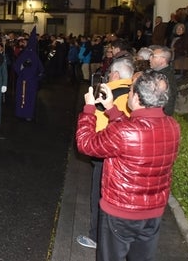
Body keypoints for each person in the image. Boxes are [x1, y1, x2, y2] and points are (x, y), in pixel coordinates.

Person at [76, 70, 180, 260]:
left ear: (138, 97)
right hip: (153, 212)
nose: (128, 94)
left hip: (120, 211)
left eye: (131, 91)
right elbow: (136, 132)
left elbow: (86, 144)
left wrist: (89, 109)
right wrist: (111, 109)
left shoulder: (124, 131)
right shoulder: (172, 126)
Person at [75, 58, 134, 250]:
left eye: (110, 73)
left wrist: (88, 110)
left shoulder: (109, 91)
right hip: (129, 156)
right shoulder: (136, 92)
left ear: (115, 74)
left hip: (106, 151)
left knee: (101, 195)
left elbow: (95, 131)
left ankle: (97, 237)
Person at [13, 27, 44, 121]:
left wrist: (37, 78)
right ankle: (21, 113)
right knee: (22, 98)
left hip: (31, 82)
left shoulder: (34, 55)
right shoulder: (24, 54)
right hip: (23, 80)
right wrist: (23, 66)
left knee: (29, 99)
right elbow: (16, 66)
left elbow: (41, 70)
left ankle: (27, 114)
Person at [149, 45, 177, 115]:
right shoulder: (159, 73)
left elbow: (168, 103)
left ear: (162, 60)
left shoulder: (164, 78)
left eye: (153, 56)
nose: (150, 58)